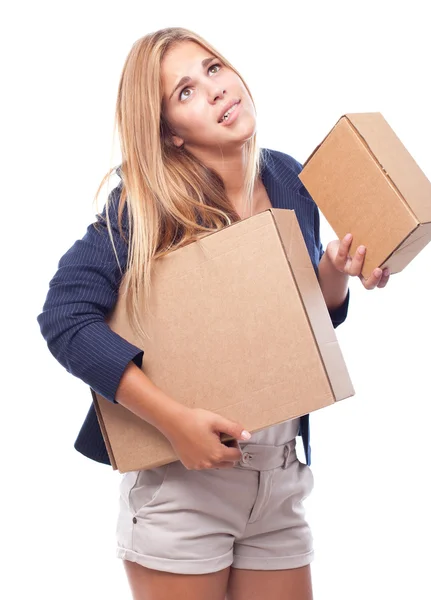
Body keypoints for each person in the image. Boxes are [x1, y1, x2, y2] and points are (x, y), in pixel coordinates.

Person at [37, 27, 391, 600]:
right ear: (170, 135)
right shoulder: (147, 207)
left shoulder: (287, 178)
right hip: (183, 486)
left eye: (213, 69)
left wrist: (333, 272)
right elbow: (65, 317)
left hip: (278, 477)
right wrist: (174, 422)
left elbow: (298, 323)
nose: (215, 89)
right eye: (184, 92)